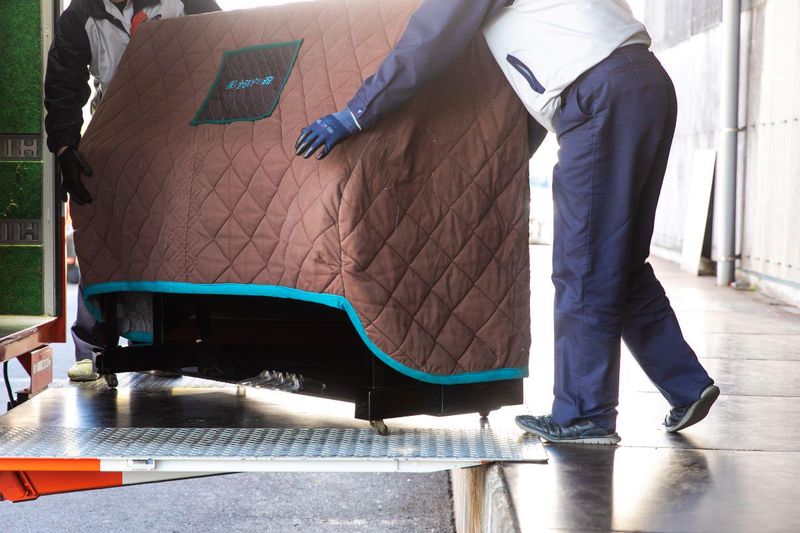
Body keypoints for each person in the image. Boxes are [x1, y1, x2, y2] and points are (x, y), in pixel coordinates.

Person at [295, 0, 719, 444]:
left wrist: (356, 113)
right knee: (621, 261)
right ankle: (686, 385)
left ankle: (585, 414)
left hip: (599, 96)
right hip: (643, 82)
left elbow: (428, 41)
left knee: (585, 264)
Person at [45, 0, 221, 382]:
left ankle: (167, 345)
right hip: (116, 131)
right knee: (100, 231)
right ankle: (93, 348)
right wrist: (65, 149)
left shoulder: (185, 2)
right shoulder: (81, 15)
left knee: (174, 241)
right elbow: (63, 85)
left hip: (178, 132)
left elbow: (225, 42)